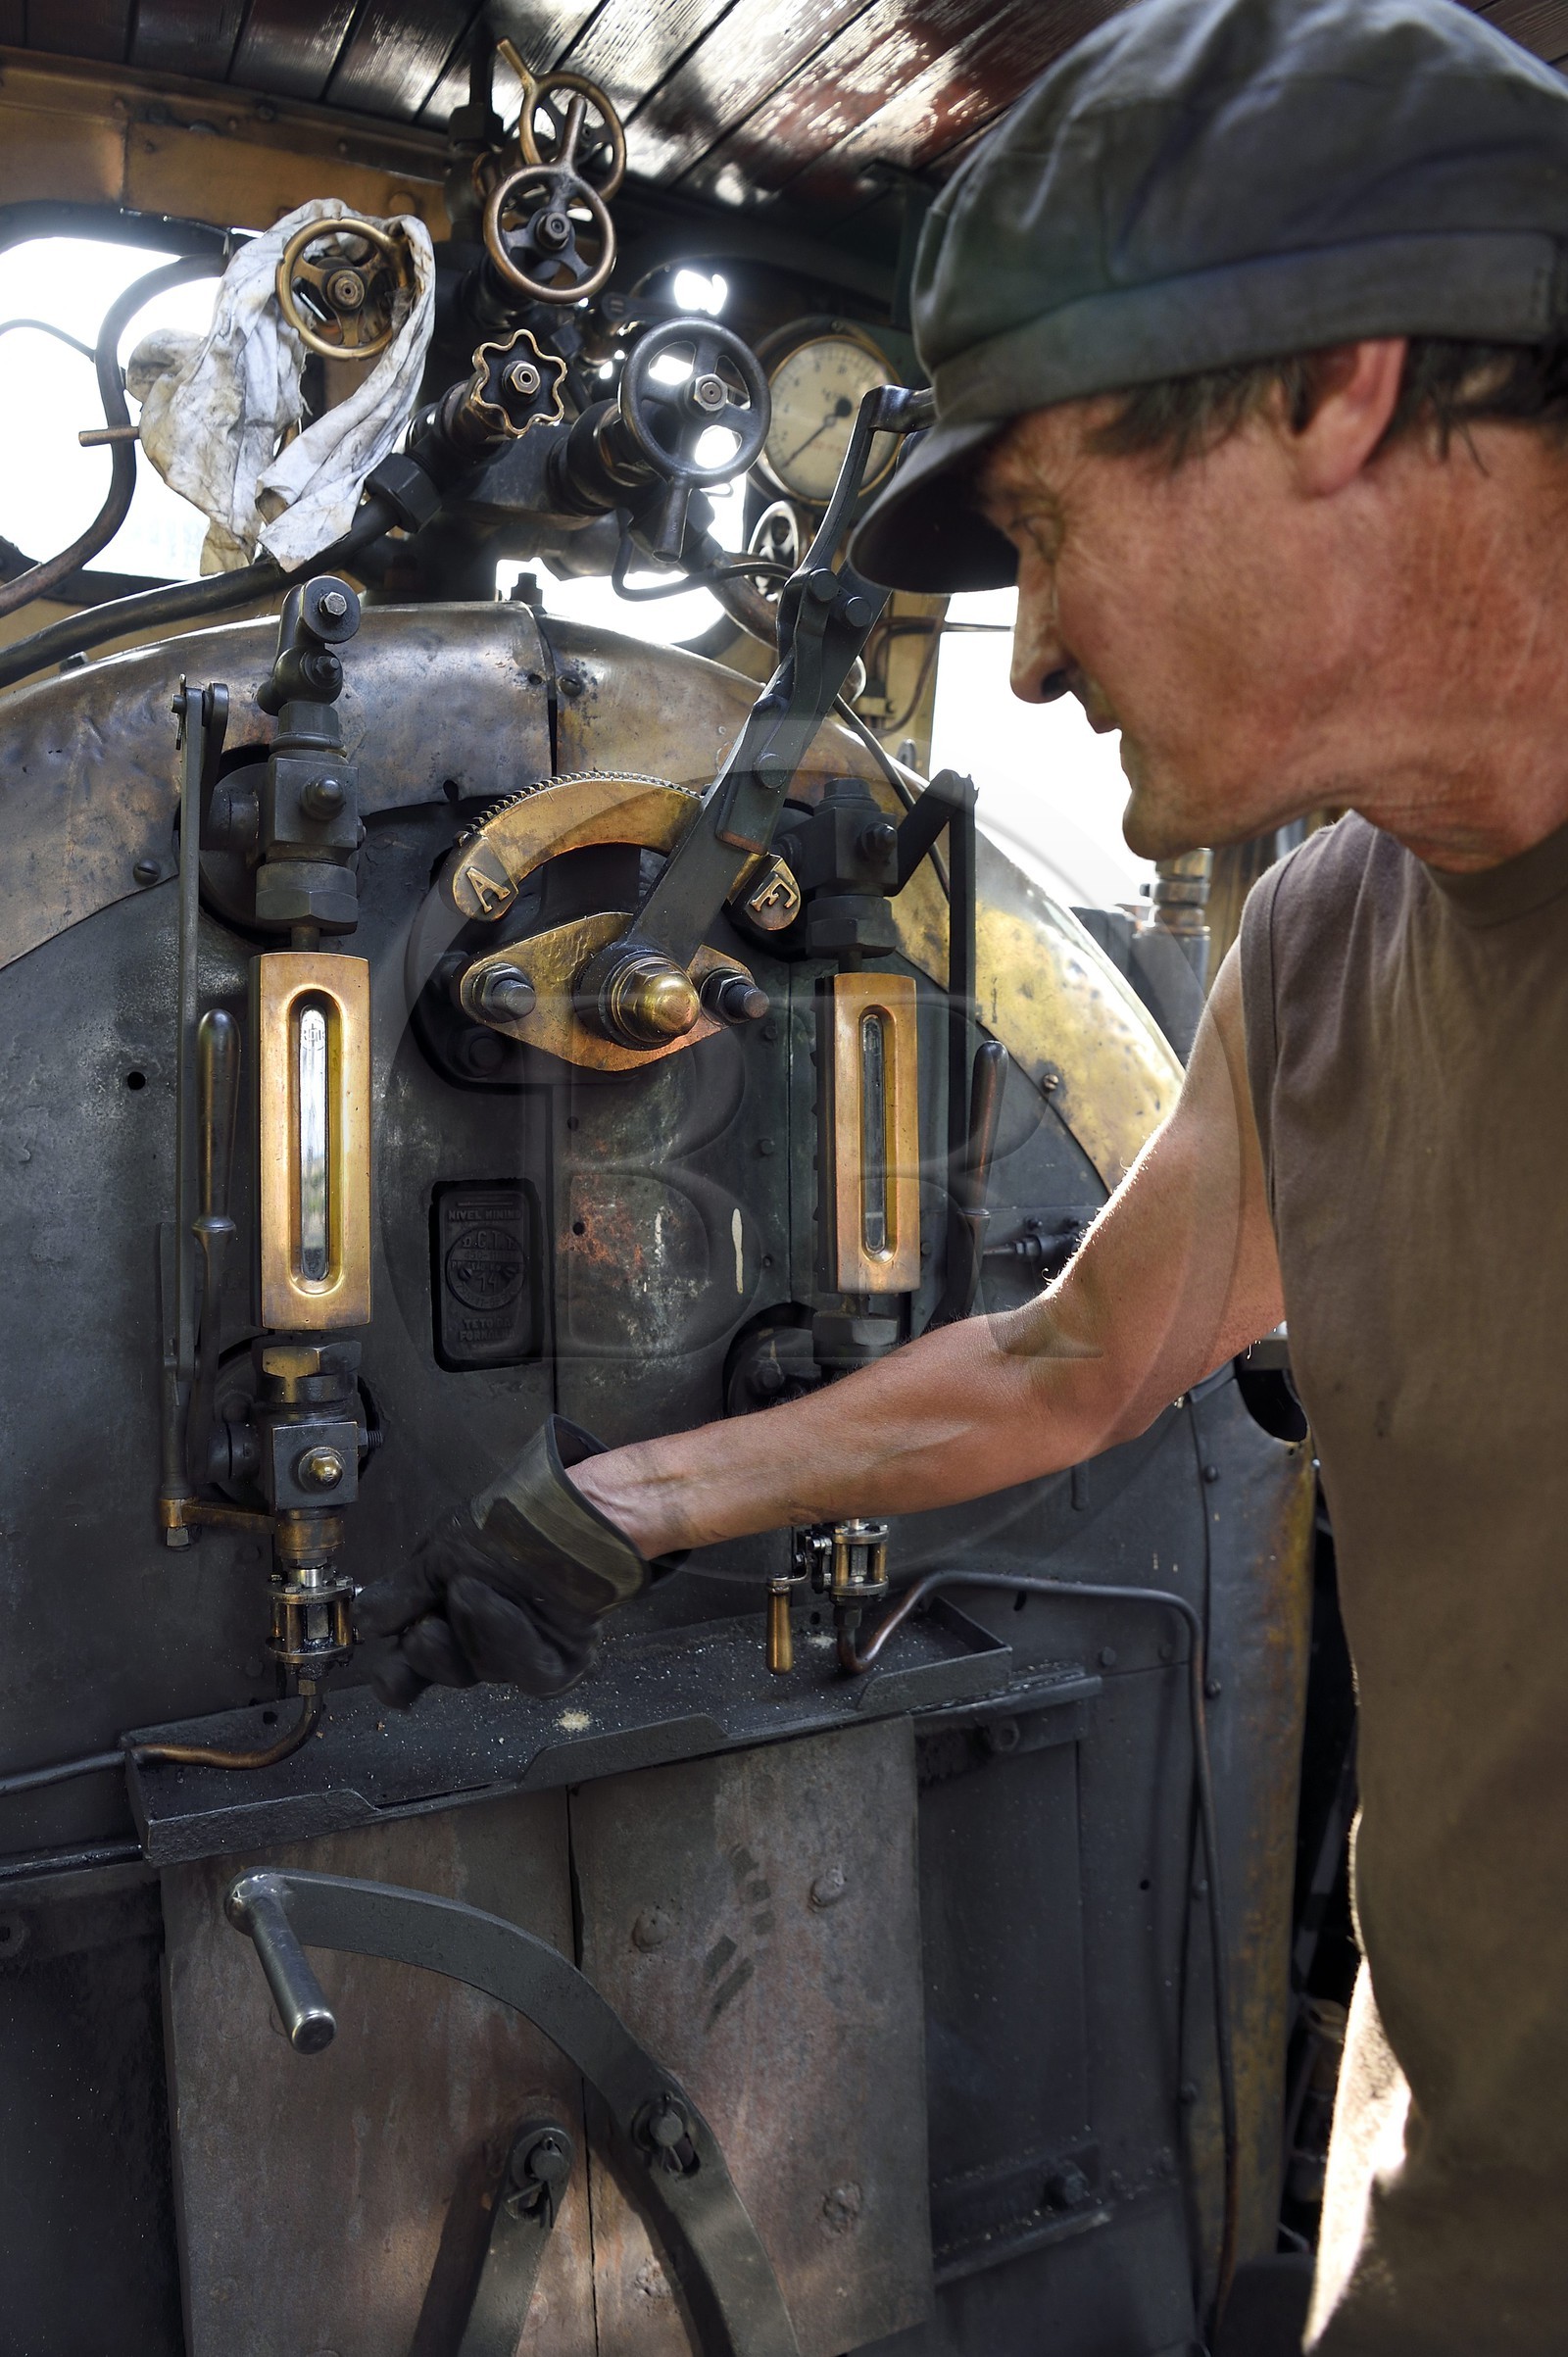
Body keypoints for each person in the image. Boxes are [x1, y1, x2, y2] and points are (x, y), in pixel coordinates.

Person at [359, 0, 1568, 2345]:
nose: (1027, 674)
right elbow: (1070, 1359)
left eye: (1040, 532)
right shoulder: (1320, 949)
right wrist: (621, 1506)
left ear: (1332, 381)